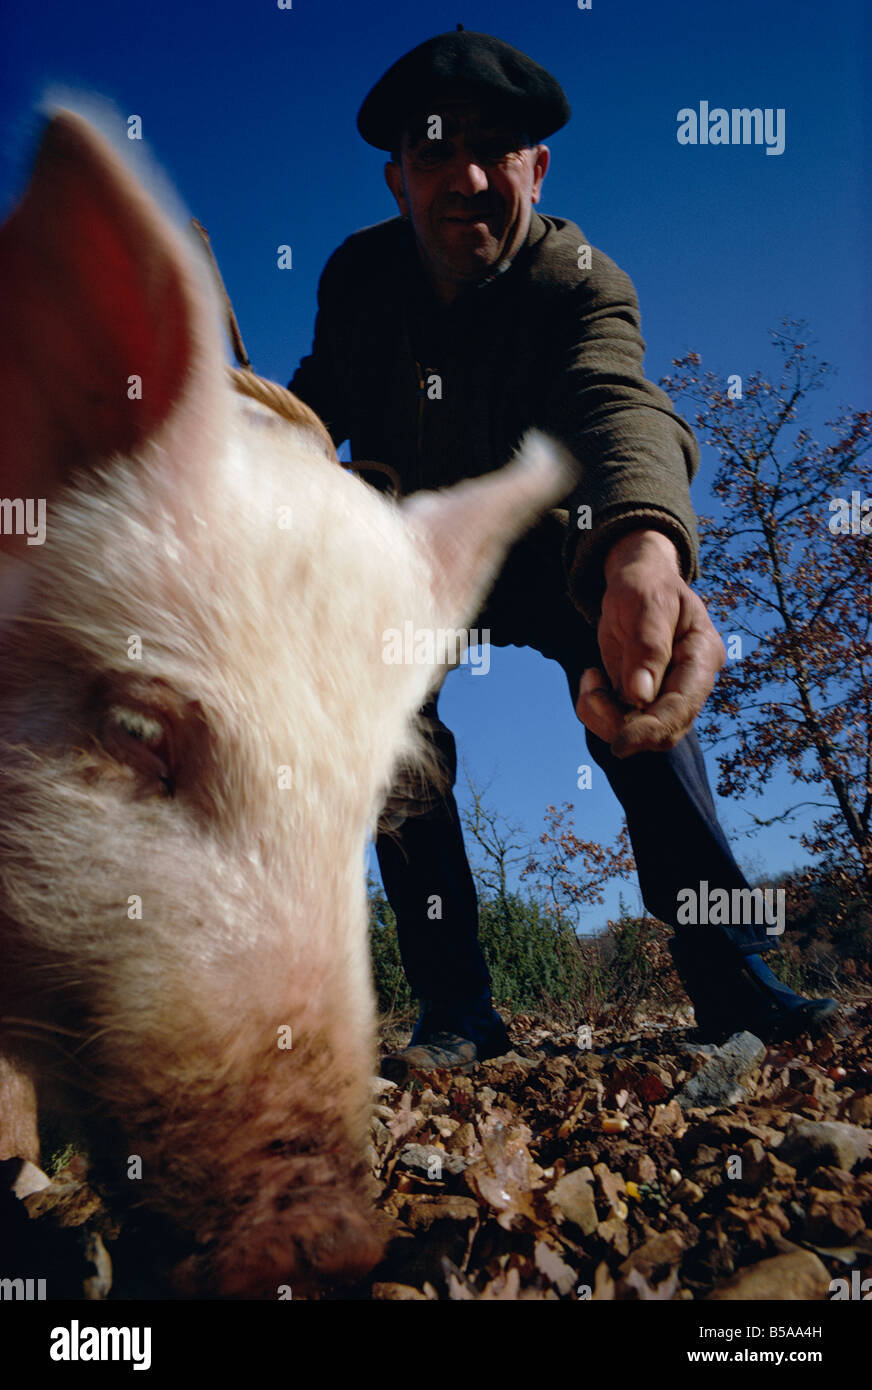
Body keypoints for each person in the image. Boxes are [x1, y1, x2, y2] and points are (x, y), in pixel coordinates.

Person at [288, 28, 837, 1071]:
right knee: (379, 707)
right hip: (409, 555)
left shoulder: (579, 279)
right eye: (438, 150)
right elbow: (317, 403)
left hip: (549, 549)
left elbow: (614, 403)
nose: (470, 177)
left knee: (631, 657)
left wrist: (641, 542)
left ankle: (727, 972)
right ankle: (456, 1008)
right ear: (398, 177)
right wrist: (270, 444)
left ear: (537, 168)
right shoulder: (356, 278)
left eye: (499, 149)